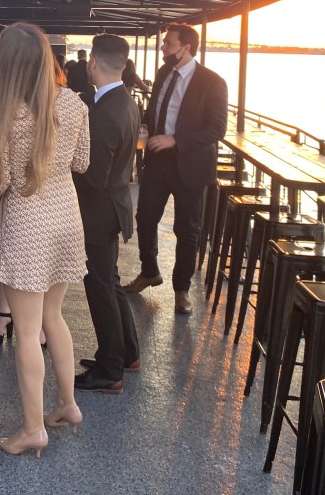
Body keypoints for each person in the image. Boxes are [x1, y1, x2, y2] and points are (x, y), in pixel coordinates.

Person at [0, 22, 90, 458]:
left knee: (26, 333)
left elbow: (0, 180)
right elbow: (82, 162)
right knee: (53, 317)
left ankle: (32, 429)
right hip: (66, 216)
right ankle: (67, 404)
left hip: (27, 224)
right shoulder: (74, 102)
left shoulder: (8, 113)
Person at [123, 23, 228, 315]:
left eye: (168, 43)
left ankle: (181, 289)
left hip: (190, 164)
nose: (163, 47)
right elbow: (156, 108)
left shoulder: (212, 82)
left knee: (187, 229)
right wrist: (146, 126)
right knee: (145, 218)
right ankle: (149, 271)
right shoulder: (163, 73)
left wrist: (176, 139)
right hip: (158, 160)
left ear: (186, 48)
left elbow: (217, 129)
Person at [72, 34, 141, 394]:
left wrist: (62, 170)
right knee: (110, 282)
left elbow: (92, 176)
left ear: (94, 63)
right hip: (115, 205)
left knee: (100, 287)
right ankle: (126, 352)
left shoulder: (106, 113)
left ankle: (110, 368)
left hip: (98, 212)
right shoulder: (124, 102)